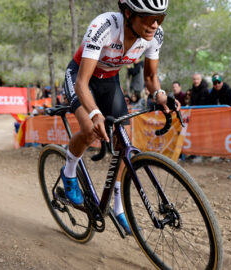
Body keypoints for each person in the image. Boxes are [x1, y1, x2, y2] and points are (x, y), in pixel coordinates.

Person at [62, 0, 178, 235]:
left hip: (110, 81)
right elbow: (82, 83)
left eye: (160, 18)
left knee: (123, 141)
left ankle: (117, 204)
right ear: (128, 14)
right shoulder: (104, 26)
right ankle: (69, 174)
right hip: (81, 77)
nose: (154, 24)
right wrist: (95, 115)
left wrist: (161, 95)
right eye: (147, 18)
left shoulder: (156, 35)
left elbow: (150, 77)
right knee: (89, 130)